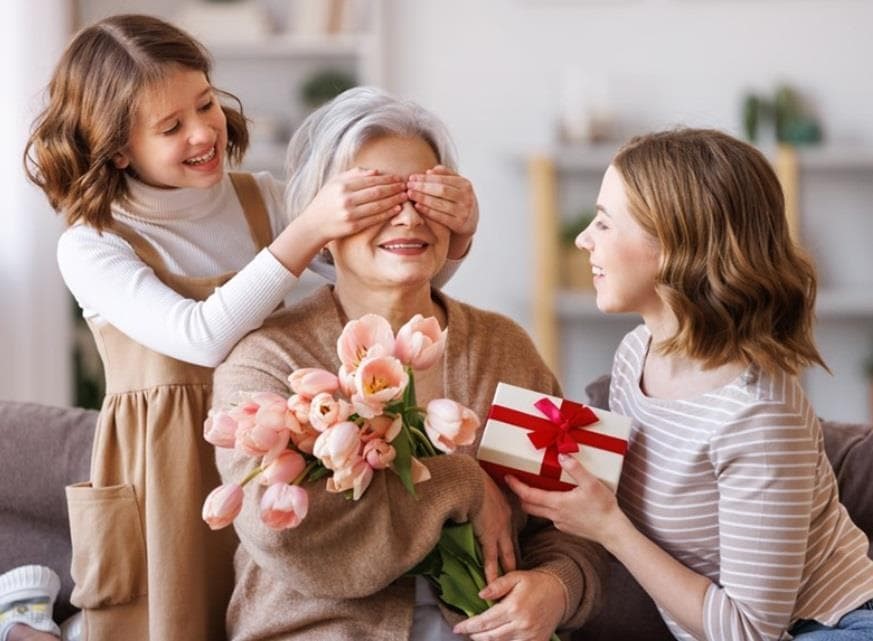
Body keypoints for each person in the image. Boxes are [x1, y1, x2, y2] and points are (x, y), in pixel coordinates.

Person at [22, 15, 477, 641]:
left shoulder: (264, 199)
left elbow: (381, 300)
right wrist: (308, 230)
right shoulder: (93, 243)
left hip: (277, 455)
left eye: (205, 103)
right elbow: (203, 335)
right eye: (171, 126)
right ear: (119, 147)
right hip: (166, 469)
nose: (204, 130)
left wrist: (458, 237)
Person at [212, 86, 608, 641]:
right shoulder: (271, 358)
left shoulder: (502, 349)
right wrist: (458, 483)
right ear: (323, 219)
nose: (406, 216)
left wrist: (558, 587)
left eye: (426, 193)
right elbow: (286, 537)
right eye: (374, 194)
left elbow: (571, 518)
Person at [507, 128, 873, 641]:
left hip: (831, 627)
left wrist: (610, 528)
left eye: (605, 224)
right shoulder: (637, 352)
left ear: (675, 244)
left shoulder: (757, 416)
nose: (583, 239)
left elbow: (749, 633)